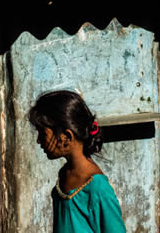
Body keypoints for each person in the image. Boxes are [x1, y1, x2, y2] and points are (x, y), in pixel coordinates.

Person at [29, 90, 127, 233]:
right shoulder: (64, 174)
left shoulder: (97, 188)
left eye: (43, 134)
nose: (38, 140)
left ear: (66, 137)